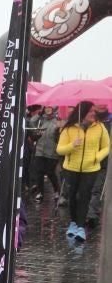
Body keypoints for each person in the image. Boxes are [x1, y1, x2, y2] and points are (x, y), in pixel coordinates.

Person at [56, 100, 109, 241]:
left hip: (90, 169)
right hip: (71, 168)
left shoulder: (100, 127)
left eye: (94, 111)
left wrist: (97, 157)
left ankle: (80, 227)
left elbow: (107, 147)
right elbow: (60, 149)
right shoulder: (69, 129)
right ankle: (73, 223)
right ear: (83, 113)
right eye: (90, 111)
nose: (93, 113)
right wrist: (72, 145)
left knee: (84, 197)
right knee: (73, 196)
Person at [29, 106, 61, 202]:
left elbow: (59, 135)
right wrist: (38, 114)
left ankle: (56, 191)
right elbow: (31, 122)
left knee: (50, 172)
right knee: (39, 172)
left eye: (49, 108)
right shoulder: (41, 119)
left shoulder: (57, 120)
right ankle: (40, 192)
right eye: (46, 108)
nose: (47, 109)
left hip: (52, 151)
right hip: (40, 150)